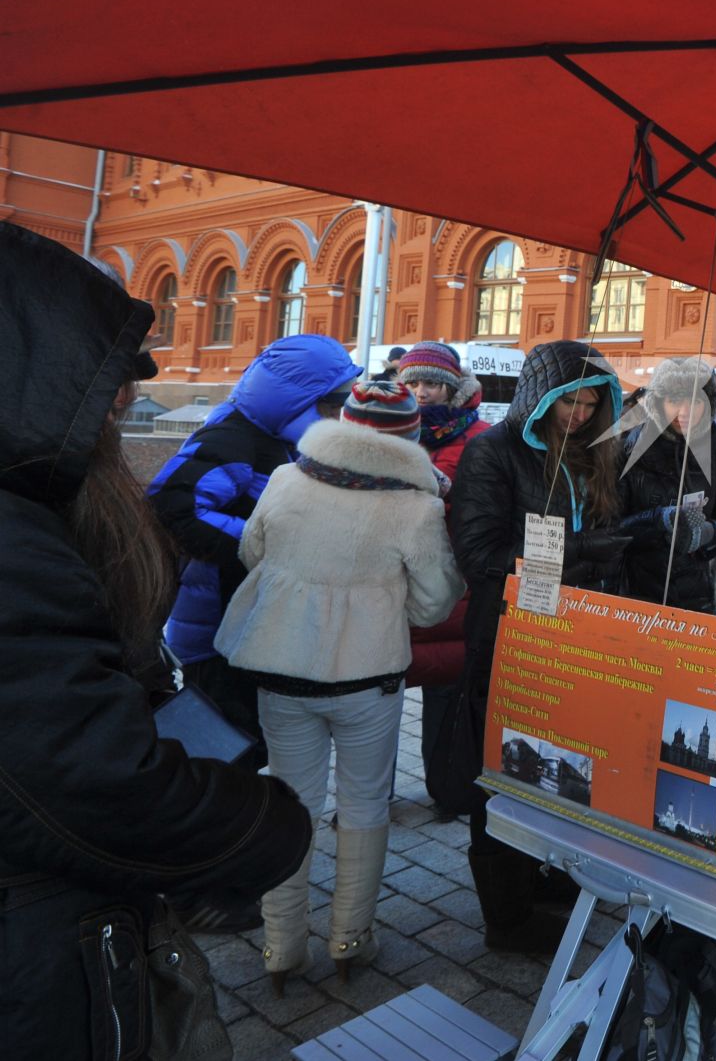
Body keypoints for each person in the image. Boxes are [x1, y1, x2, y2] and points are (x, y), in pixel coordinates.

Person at [0, 221, 311, 1057]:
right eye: (106, 381)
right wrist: (267, 826)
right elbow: (99, 790)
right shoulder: (15, 540)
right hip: (34, 960)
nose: (124, 402)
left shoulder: (36, 516)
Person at [214, 381, 463, 991]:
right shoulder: (417, 505)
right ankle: (351, 940)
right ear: (409, 438)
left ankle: (280, 946)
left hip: (281, 670)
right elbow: (434, 604)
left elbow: (252, 554)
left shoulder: (287, 478)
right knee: (364, 803)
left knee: (289, 804)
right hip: (367, 679)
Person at [449, 341, 630, 950]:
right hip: (508, 640)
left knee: (559, 768)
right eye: (567, 402)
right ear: (539, 397)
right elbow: (479, 558)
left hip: (576, 636)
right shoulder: (491, 453)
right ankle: (506, 916)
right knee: (503, 775)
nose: (577, 414)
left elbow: (599, 531)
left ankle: (538, 873)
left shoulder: (593, 455)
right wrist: (579, 556)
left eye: (589, 404)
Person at [147, 336, 360, 759]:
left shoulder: (275, 436)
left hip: (253, 623)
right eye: (330, 401)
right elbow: (172, 505)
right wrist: (263, 543)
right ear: (294, 398)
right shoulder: (232, 437)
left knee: (252, 744)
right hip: (219, 628)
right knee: (224, 750)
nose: (337, 412)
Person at [396, 342, 491, 809]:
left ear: (451, 388)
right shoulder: (386, 429)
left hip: (452, 582)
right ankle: (369, 797)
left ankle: (447, 790)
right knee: (381, 693)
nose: (421, 392)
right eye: (412, 383)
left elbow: (484, 510)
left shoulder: (477, 437)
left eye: (431, 383)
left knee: (443, 686)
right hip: (391, 581)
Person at [617, 357, 716, 614]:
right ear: (658, 402)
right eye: (675, 400)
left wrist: (708, 533)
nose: (684, 412)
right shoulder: (630, 452)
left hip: (696, 602)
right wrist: (658, 520)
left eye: (695, 401)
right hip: (635, 596)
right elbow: (610, 529)